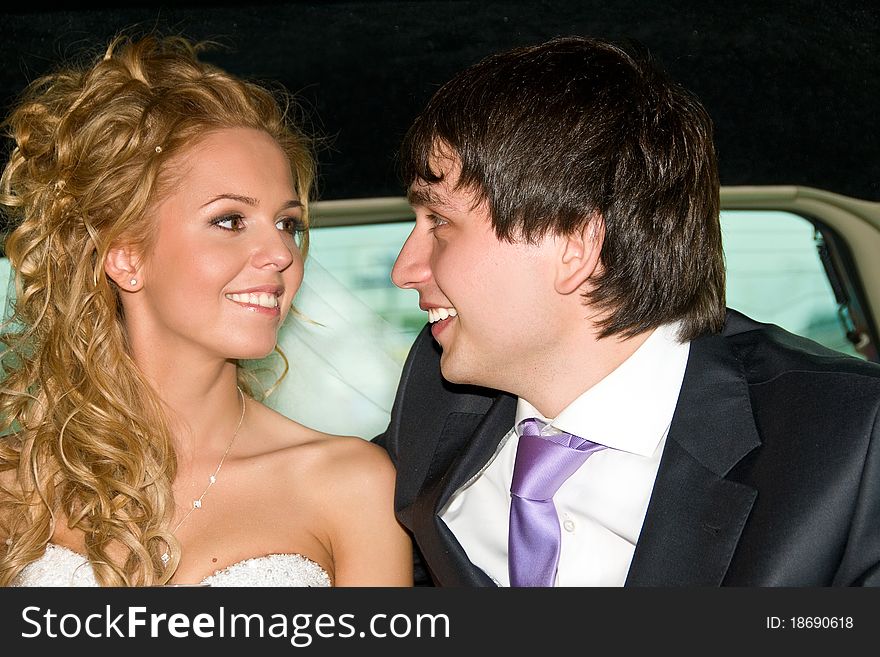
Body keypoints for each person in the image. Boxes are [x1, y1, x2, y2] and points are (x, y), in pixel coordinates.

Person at [376, 35, 880, 586]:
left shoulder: (853, 443)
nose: (405, 269)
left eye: (440, 223)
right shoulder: (436, 393)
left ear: (575, 244)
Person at [0, 33, 412, 587]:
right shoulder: (16, 481)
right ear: (125, 258)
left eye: (288, 223)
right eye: (230, 220)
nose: (281, 253)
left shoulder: (350, 484)